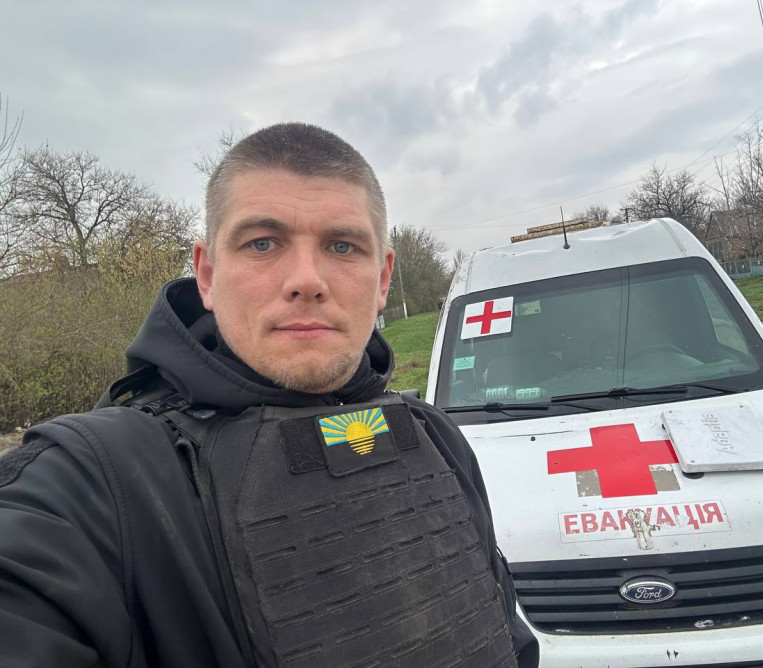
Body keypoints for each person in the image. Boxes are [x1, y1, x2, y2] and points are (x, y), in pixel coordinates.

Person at [0, 123, 539, 667]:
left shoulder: (433, 435)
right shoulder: (85, 486)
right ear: (206, 275)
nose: (307, 280)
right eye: (262, 243)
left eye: (342, 246)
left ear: (382, 279)